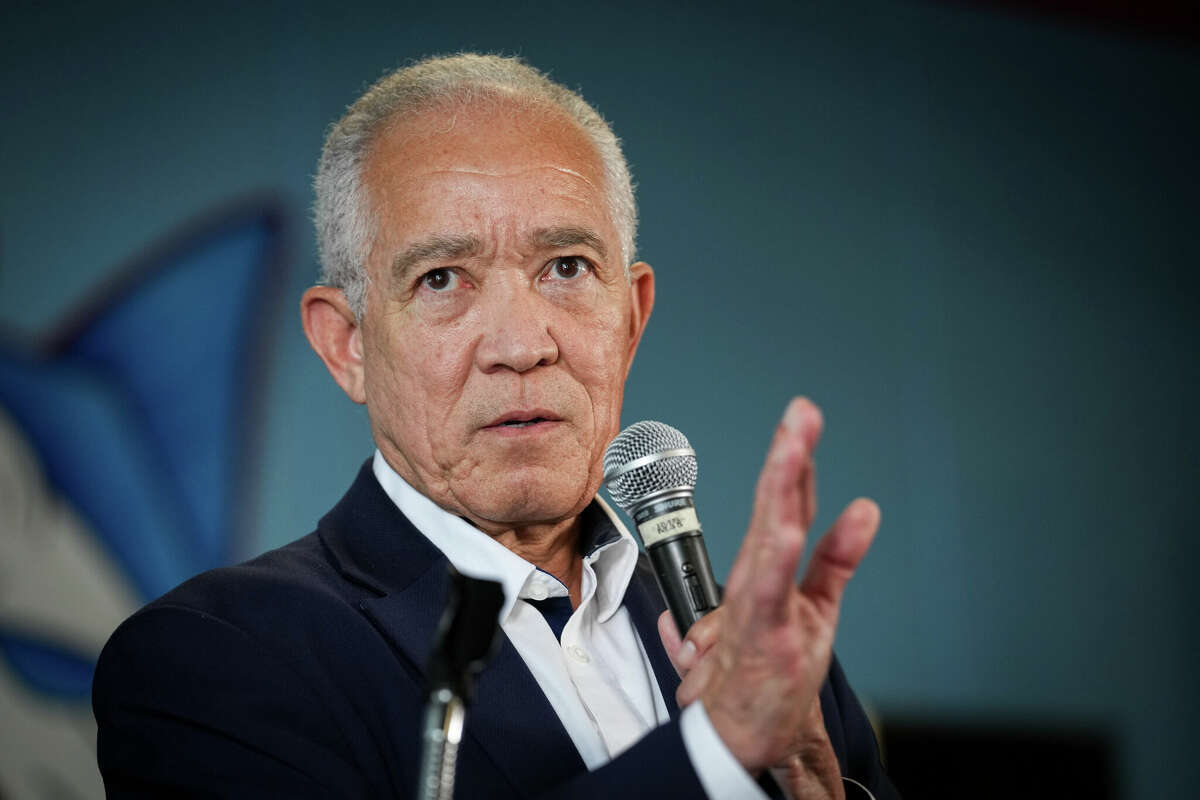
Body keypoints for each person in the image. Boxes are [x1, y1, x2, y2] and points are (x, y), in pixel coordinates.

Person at [93, 53, 899, 799]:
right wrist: (712, 755)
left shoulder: (764, 662)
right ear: (347, 347)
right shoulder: (214, 658)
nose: (522, 344)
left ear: (632, 318)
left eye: (568, 268)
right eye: (442, 278)